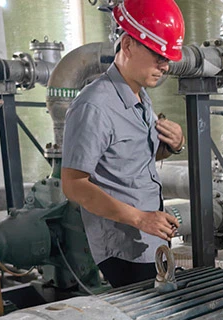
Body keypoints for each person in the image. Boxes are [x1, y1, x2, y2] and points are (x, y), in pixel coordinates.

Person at [61, 0, 186, 288]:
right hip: (124, 246)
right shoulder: (94, 106)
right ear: (128, 45)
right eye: (158, 55)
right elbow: (73, 184)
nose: (165, 66)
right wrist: (141, 219)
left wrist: (174, 145)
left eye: (167, 58)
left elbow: (131, 157)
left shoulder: (139, 94)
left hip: (149, 236)